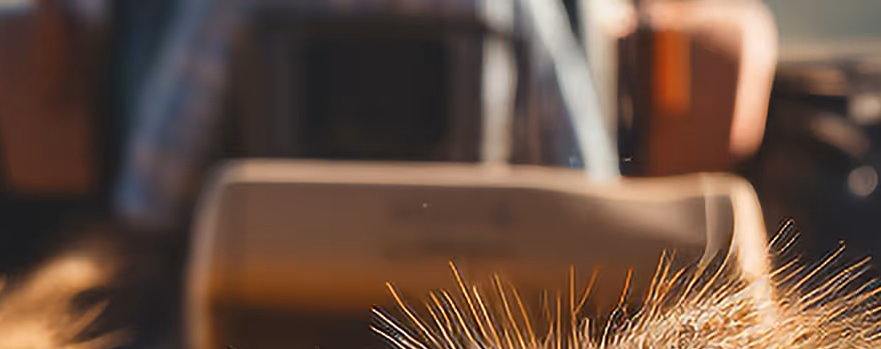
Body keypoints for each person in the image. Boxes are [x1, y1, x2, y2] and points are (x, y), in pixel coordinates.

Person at [108, 0, 625, 233]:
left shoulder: (227, 8)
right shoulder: (514, 7)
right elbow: (585, 189)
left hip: (267, 330)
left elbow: (154, 194)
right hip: (464, 328)